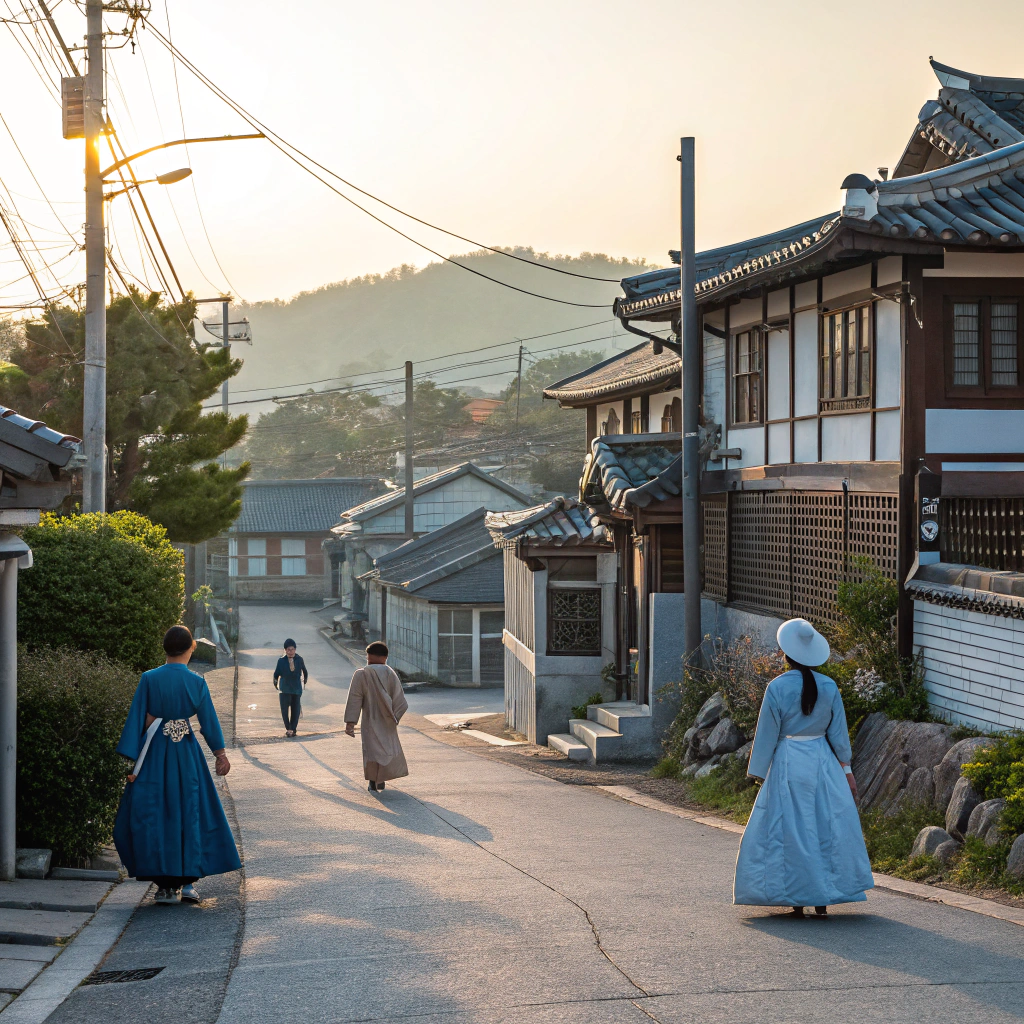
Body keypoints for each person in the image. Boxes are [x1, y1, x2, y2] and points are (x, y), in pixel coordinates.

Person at [733, 617, 874, 917]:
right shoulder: (829, 686)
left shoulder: (777, 687)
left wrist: (758, 771)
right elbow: (838, 734)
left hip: (789, 760)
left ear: (787, 655)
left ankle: (797, 900)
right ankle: (822, 899)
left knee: (793, 829)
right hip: (822, 760)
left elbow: (768, 733)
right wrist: (847, 770)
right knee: (824, 825)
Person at [113, 625, 241, 906]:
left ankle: (163, 886)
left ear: (165, 648)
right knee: (190, 809)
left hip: (154, 751)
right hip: (186, 753)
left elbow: (137, 718)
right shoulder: (196, 682)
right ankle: (188, 883)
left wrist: (132, 755)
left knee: (155, 812)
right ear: (191, 648)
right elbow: (208, 721)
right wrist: (220, 754)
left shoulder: (149, 678)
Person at [344, 641, 408, 793]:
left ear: (369, 657)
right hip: (388, 721)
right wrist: (395, 717)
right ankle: (382, 778)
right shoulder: (390, 673)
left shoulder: (361, 674)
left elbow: (355, 698)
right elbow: (400, 700)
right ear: (385, 657)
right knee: (385, 749)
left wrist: (350, 723)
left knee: (371, 750)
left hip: (370, 720)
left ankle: (373, 780)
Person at [274, 639, 308, 737]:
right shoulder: (281, 661)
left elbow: (305, 671)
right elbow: (276, 674)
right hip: (284, 689)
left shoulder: (299, 659)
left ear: (295, 649)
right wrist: (276, 684)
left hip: (296, 689)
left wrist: (304, 682)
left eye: (292, 649)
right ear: (285, 650)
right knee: (284, 711)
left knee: (295, 710)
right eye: (288, 650)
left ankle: (293, 729)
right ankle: (288, 728)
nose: (291, 652)